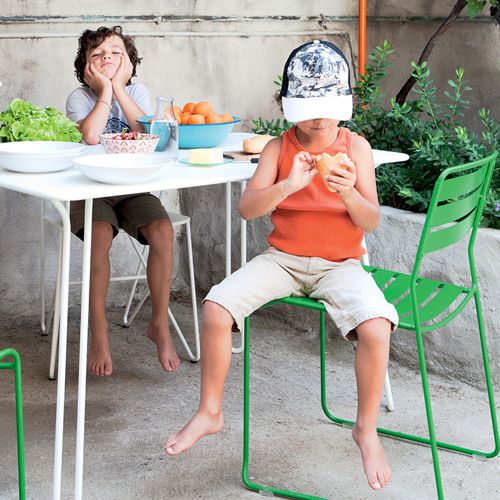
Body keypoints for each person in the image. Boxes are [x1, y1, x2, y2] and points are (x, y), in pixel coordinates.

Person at [164, 40, 399, 491]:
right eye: (308, 108)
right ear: (289, 106)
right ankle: (210, 411)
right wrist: (289, 185)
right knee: (216, 308)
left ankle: (365, 429)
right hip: (284, 260)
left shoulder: (358, 148)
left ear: (343, 104)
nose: (319, 118)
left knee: (375, 326)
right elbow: (248, 209)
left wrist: (348, 191)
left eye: (328, 107)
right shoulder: (279, 147)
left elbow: (371, 220)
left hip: (341, 264)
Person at [66, 26, 180, 376]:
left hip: (132, 188)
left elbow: (150, 134)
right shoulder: (79, 98)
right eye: (97, 54)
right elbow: (90, 136)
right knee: (99, 235)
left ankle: (158, 323)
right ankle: (98, 332)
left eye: (116, 53)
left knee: (162, 231)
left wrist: (119, 89)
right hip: (90, 188)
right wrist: (104, 93)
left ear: (129, 62)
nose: (107, 58)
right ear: (86, 66)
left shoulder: (138, 92)